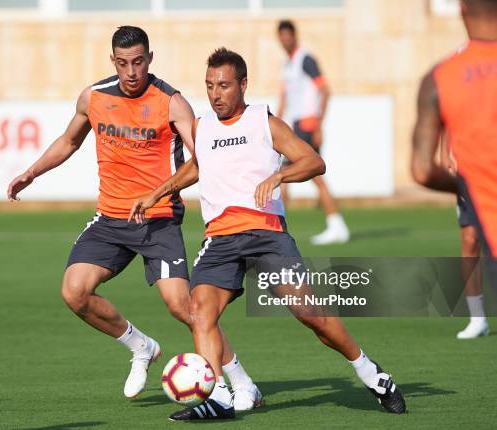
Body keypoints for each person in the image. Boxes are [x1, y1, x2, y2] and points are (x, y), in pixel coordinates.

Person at [130, 48, 406, 420]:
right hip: (220, 239)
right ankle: (219, 399)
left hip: (266, 233)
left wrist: (280, 175)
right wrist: (156, 193)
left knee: (310, 314)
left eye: (224, 86)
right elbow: (197, 167)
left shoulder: (264, 121)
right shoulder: (202, 125)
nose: (216, 94)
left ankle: (371, 373)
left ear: (243, 85)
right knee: (200, 311)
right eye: (210, 86)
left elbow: (313, 161)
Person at [7, 26, 258, 407]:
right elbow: (69, 141)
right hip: (110, 220)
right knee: (74, 292)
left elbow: (204, 158)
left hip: (158, 220)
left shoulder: (171, 102)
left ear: (150, 59)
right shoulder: (93, 97)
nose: (131, 71)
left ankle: (240, 382)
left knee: (184, 308)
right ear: (113, 61)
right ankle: (140, 346)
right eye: (123, 63)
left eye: (138, 62)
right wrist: (32, 172)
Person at [412, 0, 497, 328]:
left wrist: (469, 183)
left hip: (480, 196)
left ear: (461, 10)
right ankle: (477, 318)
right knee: (468, 240)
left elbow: (421, 169)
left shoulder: (440, 78)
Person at [276, 19, 349, 245]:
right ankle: (334, 224)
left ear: (294, 35)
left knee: (295, 175)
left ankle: (280, 230)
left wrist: (319, 124)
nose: (285, 39)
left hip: (308, 124)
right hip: (296, 125)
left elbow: (325, 90)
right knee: (293, 176)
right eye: (282, 36)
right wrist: (275, 122)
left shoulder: (305, 59)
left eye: (288, 35)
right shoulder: (288, 65)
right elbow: (285, 98)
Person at [441, 139, 489, 338]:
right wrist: (445, 155)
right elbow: (446, 117)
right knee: (470, 240)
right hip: (469, 168)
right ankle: (477, 318)